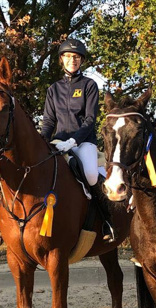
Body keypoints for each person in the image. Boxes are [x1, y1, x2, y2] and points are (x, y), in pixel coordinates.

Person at [40, 38, 114, 242]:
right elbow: (48, 122)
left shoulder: (89, 85)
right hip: (58, 143)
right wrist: (43, 142)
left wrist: (73, 141)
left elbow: (90, 120)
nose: (72, 60)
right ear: (61, 59)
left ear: (81, 60)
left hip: (83, 143)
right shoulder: (53, 89)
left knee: (90, 175)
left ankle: (106, 221)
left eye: (76, 57)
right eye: (68, 56)